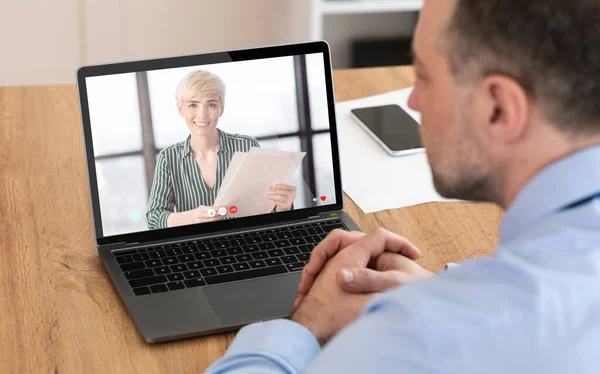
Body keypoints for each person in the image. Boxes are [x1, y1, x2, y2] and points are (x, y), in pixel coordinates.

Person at [206, 0, 600, 372]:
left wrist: (308, 322)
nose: (412, 100)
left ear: (498, 108)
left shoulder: (413, 343)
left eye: (424, 76)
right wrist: (445, 290)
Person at [146, 70, 296, 229]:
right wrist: (193, 217)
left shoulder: (246, 147)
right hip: (194, 246)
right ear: (180, 109)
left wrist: (282, 206)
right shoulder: (169, 158)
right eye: (193, 105)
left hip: (244, 240)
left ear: (221, 109)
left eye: (211, 104)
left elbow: (268, 209)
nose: (202, 114)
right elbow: (154, 217)